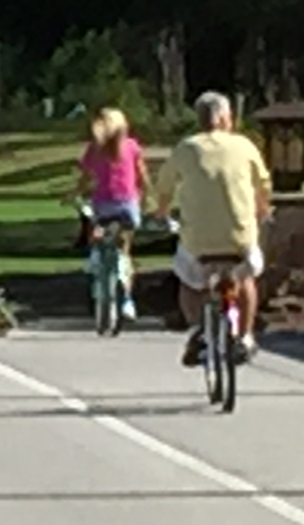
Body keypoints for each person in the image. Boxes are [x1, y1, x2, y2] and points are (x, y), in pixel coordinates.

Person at [150, 91, 272, 366]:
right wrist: (263, 208)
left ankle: (197, 330)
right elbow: (263, 182)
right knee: (246, 278)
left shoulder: (186, 148)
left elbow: (165, 184)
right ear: (227, 118)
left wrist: (162, 210)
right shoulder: (244, 146)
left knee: (189, 282)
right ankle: (245, 336)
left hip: (198, 241)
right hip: (239, 237)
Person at [75, 106, 148, 320]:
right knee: (124, 252)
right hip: (128, 206)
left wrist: (75, 193)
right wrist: (143, 195)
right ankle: (127, 300)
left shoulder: (94, 149)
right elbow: (141, 175)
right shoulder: (132, 147)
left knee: (95, 226)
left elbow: (86, 177)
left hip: (104, 205)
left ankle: (95, 256)